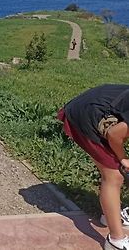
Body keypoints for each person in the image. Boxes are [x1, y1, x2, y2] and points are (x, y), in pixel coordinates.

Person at [58, 85, 129, 250]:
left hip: (104, 111)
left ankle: (110, 215)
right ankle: (116, 240)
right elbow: (114, 135)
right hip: (86, 113)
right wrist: (123, 158)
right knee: (113, 176)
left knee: (115, 168)